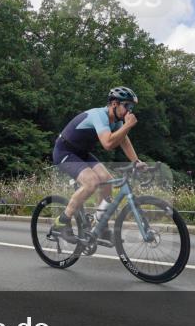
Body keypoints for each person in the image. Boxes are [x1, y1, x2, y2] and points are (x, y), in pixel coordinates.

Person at [50, 87, 145, 241]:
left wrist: (136, 161)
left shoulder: (116, 121)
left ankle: (100, 226)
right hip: (64, 152)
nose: (130, 111)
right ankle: (61, 223)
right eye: (127, 106)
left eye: (132, 107)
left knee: (107, 181)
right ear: (114, 104)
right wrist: (128, 126)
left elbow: (123, 140)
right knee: (91, 182)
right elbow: (108, 144)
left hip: (82, 153)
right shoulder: (99, 115)